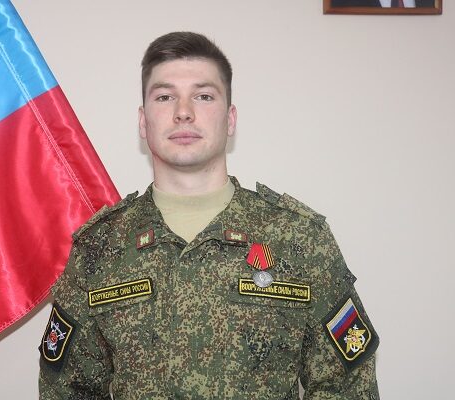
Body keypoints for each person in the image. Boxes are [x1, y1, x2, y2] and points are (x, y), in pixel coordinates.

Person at [38, 31, 380, 399]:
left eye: (203, 96)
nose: (183, 111)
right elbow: (66, 390)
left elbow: (347, 388)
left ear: (230, 120)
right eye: (165, 96)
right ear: (143, 121)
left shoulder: (300, 238)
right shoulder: (100, 247)